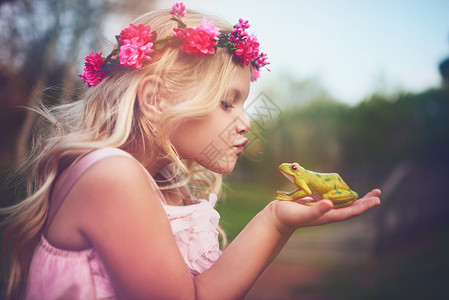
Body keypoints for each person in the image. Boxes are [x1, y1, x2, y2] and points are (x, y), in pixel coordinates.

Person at [1, 3, 381, 299]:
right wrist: (274, 222)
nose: (247, 122)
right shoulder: (112, 175)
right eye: (227, 103)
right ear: (154, 98)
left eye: (244, 104)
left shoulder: (164, 182)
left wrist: (277, 219)